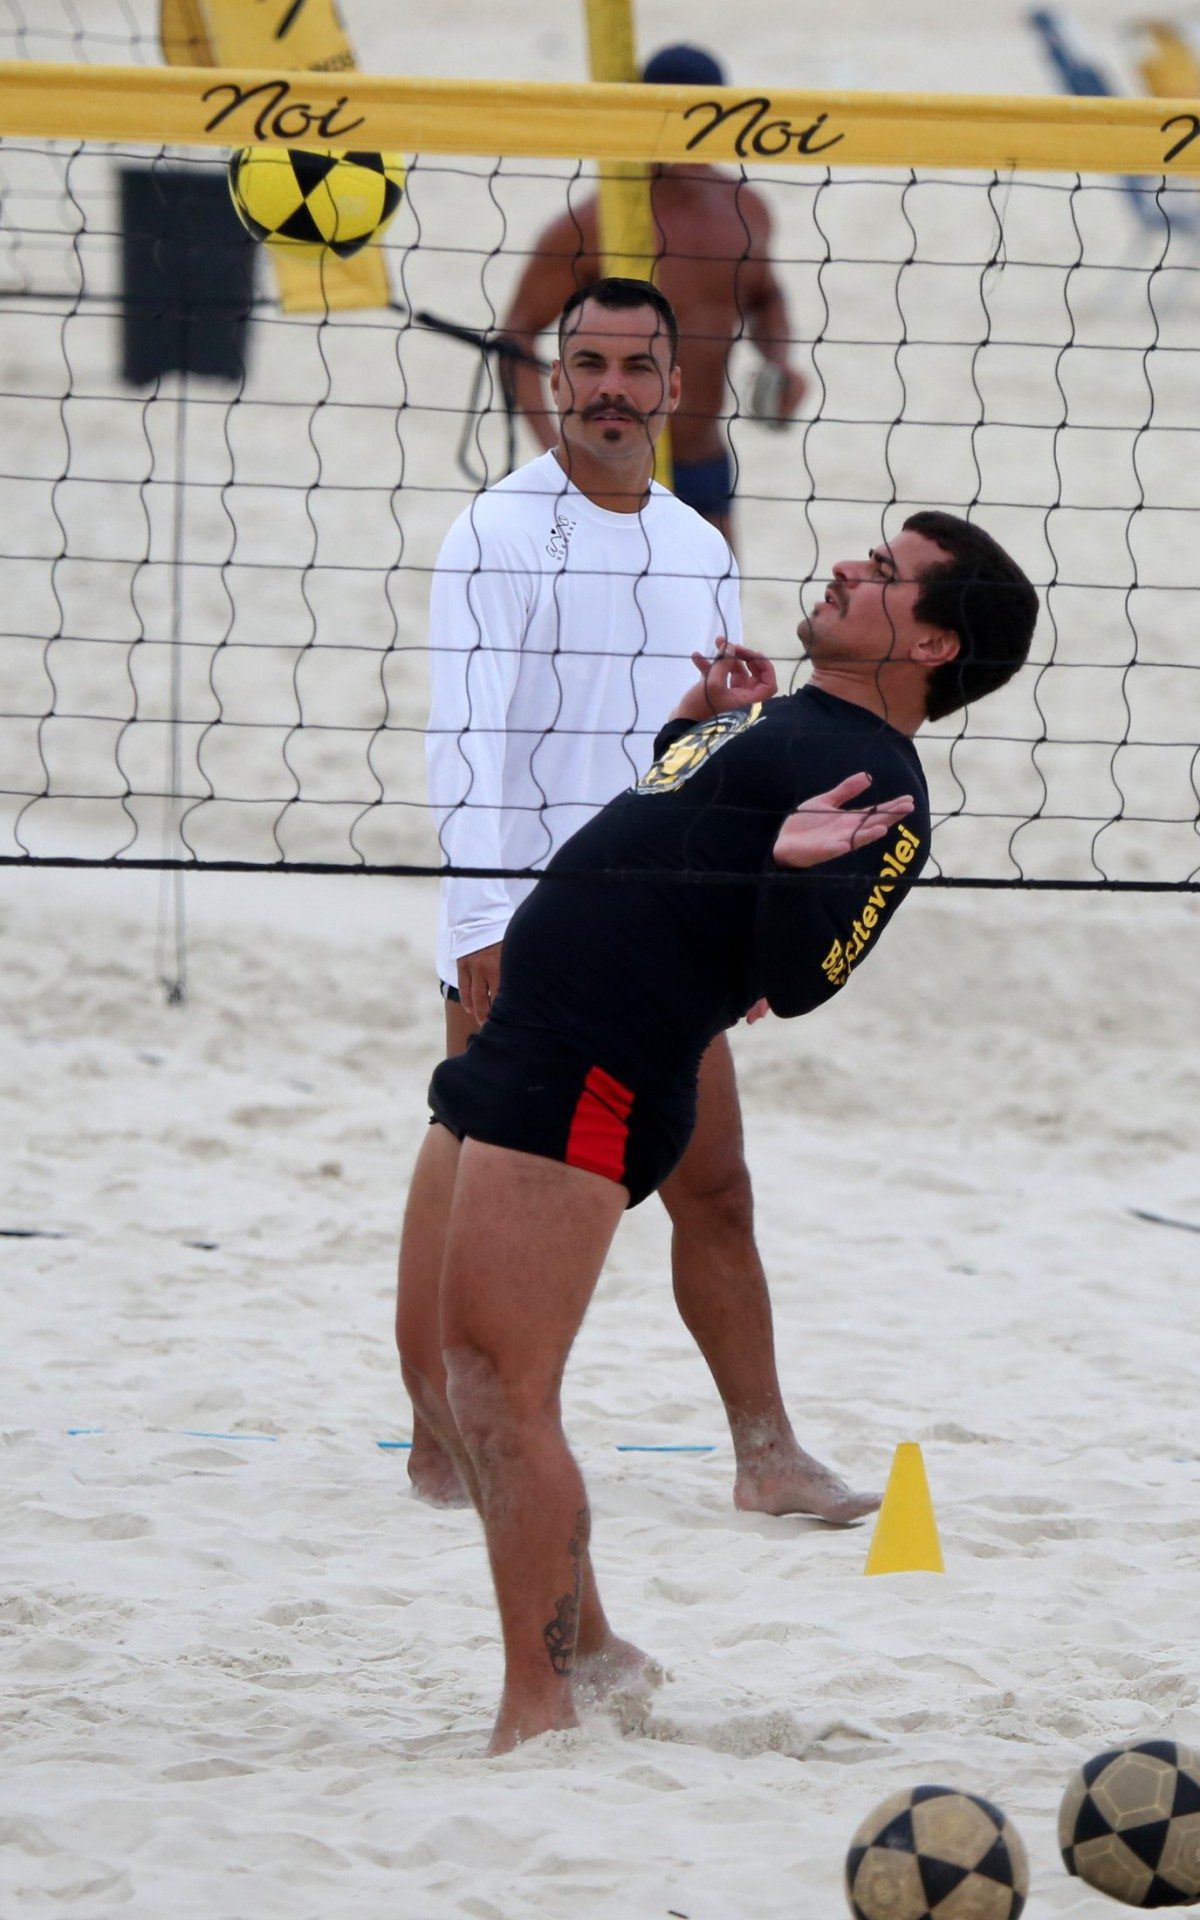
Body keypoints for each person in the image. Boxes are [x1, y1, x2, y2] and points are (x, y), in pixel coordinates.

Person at [399, 502, 1040, 1753]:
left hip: (596, 1069)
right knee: (456, 1377)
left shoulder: (880, 786)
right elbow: (669, 848)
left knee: (499, 1392)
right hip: (534, 1037)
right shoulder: (782, 720)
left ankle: (540, 1709)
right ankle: (590, 1649)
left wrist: (794, 873)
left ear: (930, 646)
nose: (853, 566)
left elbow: (797, 980)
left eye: (891, 575)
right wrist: (688, 739)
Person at [402, 275, 875, 1525]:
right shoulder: (494, 535)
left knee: (714, 1186)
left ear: (673, 387)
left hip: (661, 918)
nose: (612, 389)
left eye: (636, 368)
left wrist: (746, 917)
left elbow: (696, 768)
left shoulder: (697, 547)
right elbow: (467, 745)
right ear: (557, 382)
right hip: (525, 921)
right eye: (590, 364)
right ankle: (436, 1442)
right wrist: (477, 926)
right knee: (466, 1166)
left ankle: (766, 1452)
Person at [499, 42, 808, 543]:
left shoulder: (746, 211)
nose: (694, 132)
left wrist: (779, 359)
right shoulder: (591, 224)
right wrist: (557, 454)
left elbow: (765, 296)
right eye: (681, 116)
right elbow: (516, 336)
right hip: (608, 468)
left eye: (706, 117)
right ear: (648, 115)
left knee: (714, 620)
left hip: (704, 461)